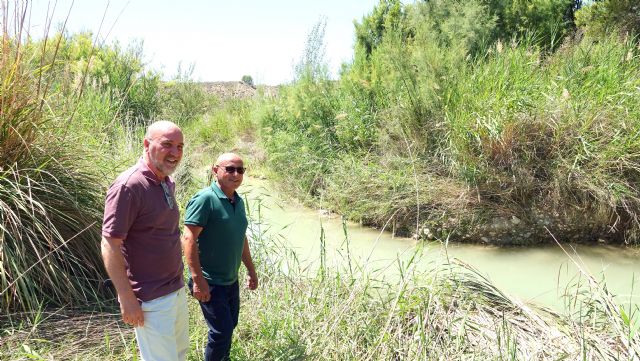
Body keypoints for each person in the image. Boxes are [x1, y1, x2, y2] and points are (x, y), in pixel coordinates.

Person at [101, 120, 188, 361]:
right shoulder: (129, 186)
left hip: (175, 290)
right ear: (147, 144)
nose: (175, 153)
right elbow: (110, 243)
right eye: (167, 145)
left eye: (180, 147)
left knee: (179, 355)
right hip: (151, 299)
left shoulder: (166, 182)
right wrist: (127, 298)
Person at [182, 152, 258, 361]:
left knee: (229, 327)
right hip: (210, 281)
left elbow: (241, 238)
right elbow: (188, 239)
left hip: (230, 280)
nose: (236, 174)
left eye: (240, 170)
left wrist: (251, 270)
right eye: (230, 169)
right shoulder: (205, 198)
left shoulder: (238, 201)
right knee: (221, 332)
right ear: (216, 170)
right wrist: (198, 280)